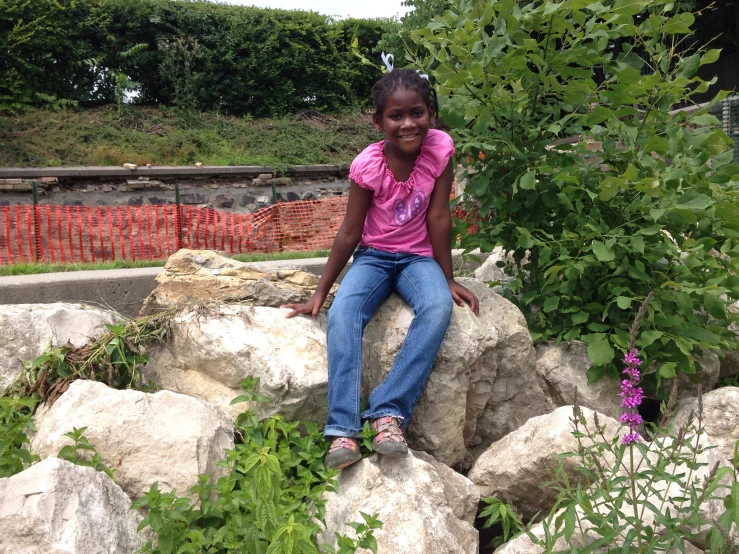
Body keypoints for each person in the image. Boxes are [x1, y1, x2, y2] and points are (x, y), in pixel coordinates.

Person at [282, 66, 479, 470]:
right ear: (378, 121)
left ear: (430, 114)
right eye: (396, 116)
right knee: (344, 313)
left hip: (418, 259)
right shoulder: (368, 166)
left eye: (418, 113)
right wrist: (322, 291)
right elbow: (350, 231)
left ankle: (388, 414)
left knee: (438, 307)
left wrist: (447, 276)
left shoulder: (440, 149)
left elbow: (440, 216)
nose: (409, 124)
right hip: (373, 256)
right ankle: (342, 430)